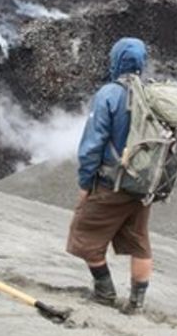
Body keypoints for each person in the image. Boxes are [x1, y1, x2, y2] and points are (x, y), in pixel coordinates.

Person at [66, 37, 154, 314]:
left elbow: (93, 144)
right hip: (143, 184)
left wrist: (85, 182)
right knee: (139, 241)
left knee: (84, 236)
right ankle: (136, 304)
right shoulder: (153, 93)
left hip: (111, 183)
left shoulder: (109, 94)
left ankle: (105, 292)